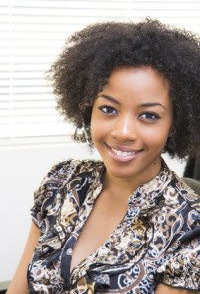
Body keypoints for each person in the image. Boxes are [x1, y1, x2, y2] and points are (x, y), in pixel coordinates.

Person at [7, 19, 200, 294]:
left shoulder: (190, 227)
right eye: (109, 109)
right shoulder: (61, 182)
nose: (123, 132)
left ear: (174, 125)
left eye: (148, 116)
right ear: (88, 110)